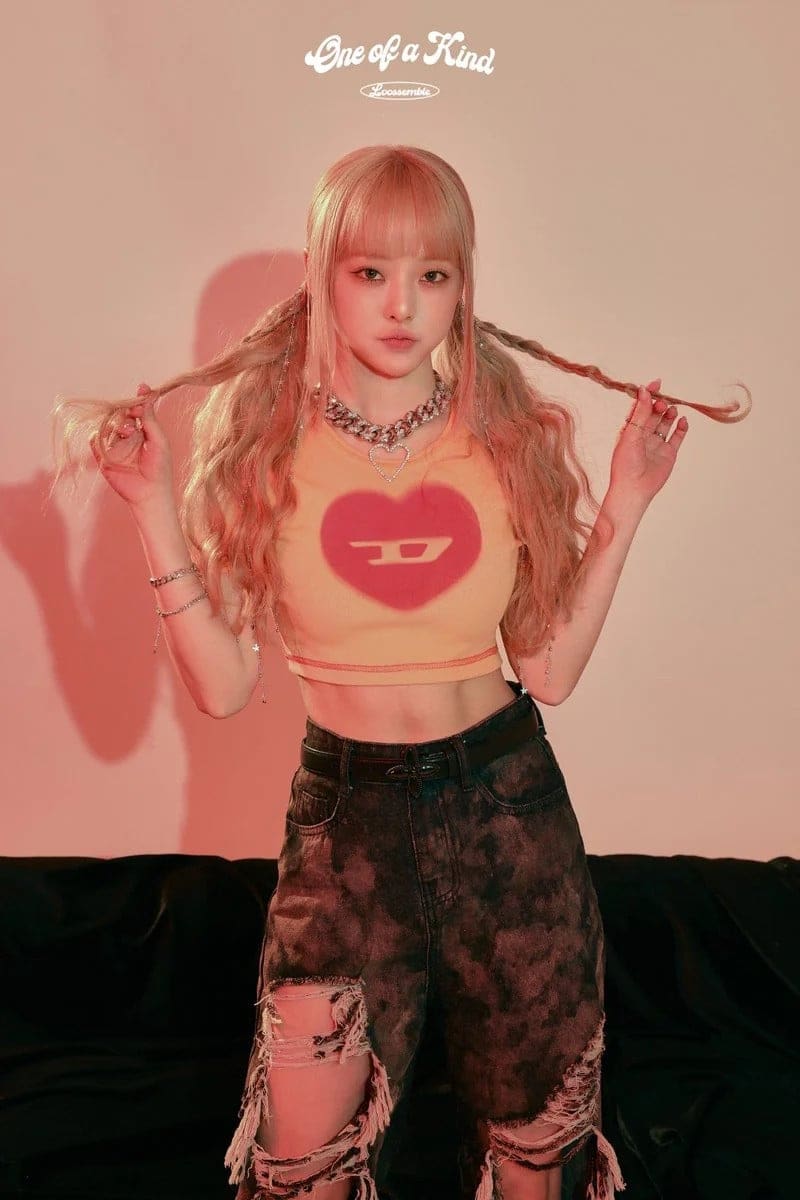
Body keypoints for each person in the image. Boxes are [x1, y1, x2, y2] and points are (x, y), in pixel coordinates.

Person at [50, 144, 750, 1200]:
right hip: (345, 831)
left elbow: (548, 668)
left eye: (433, 274)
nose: (401, 304)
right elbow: (224, 689)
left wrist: (625, 503)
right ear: (321, 275)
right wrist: (150, 509)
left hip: (510, 814)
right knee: (305, 1167)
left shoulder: (503, 436)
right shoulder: (260, 449)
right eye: (370, 271)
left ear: (464, 285)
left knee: (535, 1164)